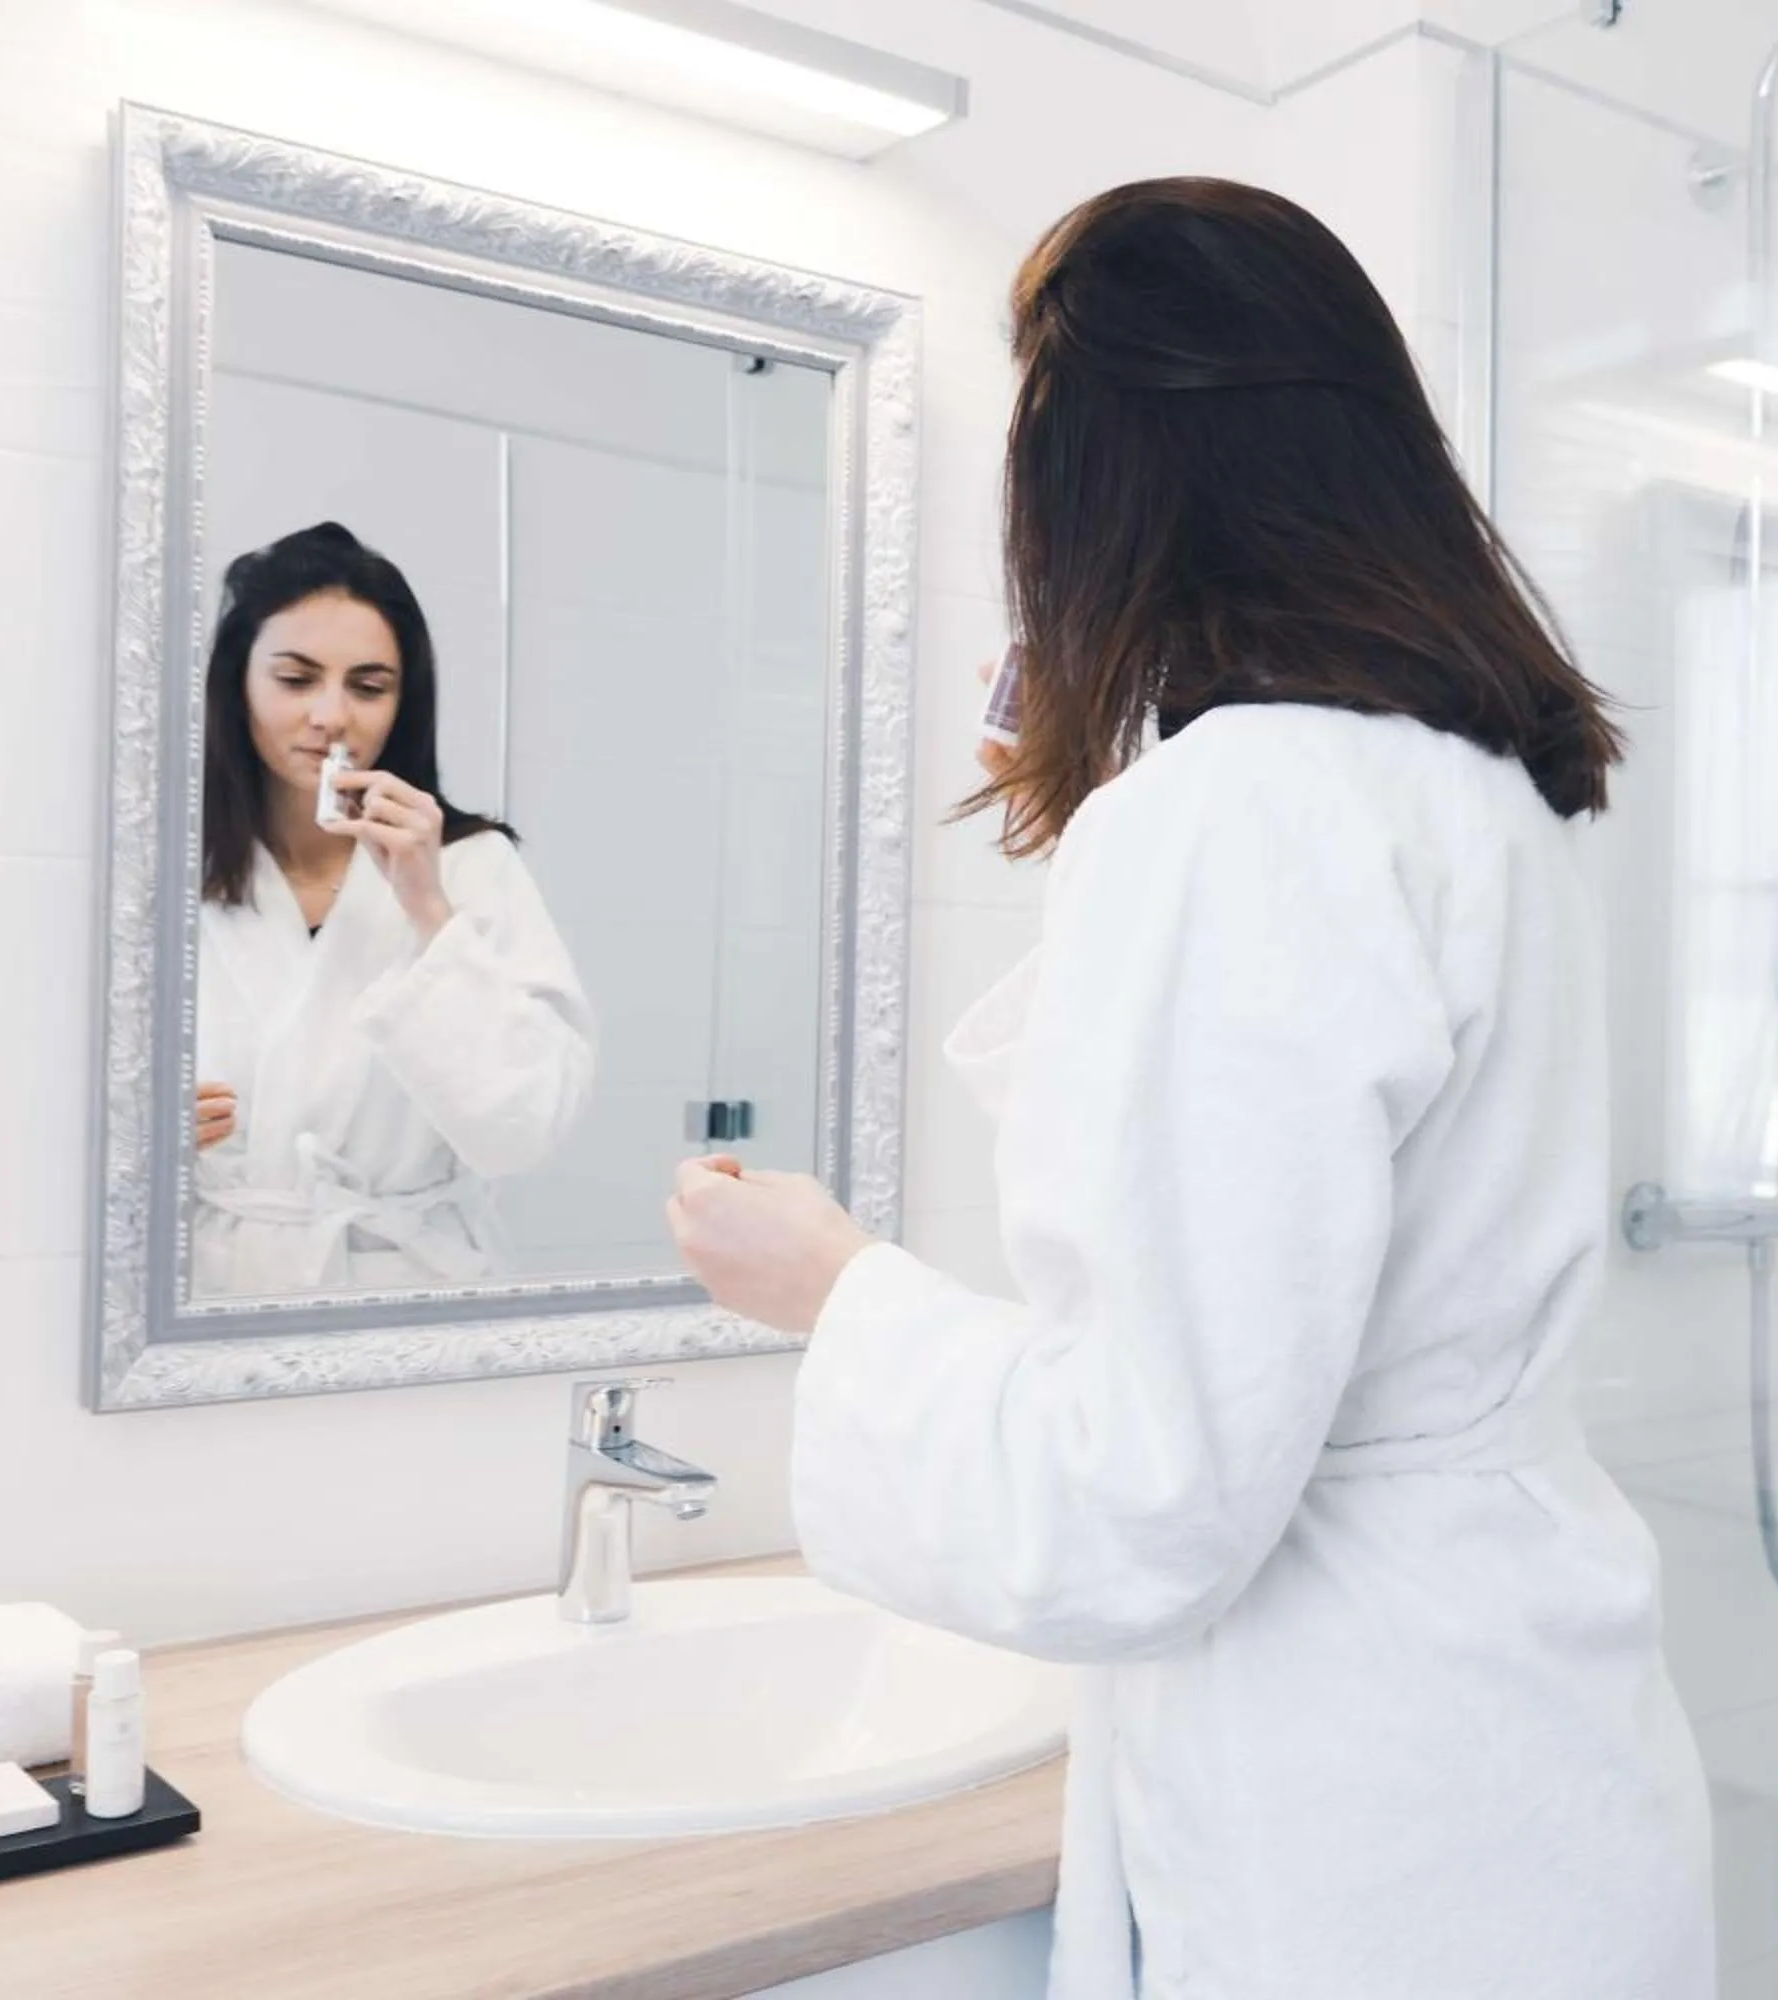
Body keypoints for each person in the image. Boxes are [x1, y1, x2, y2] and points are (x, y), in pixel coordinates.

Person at [666, 181, 1713, 1999]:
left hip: (1359, 1816)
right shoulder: (1479, 799)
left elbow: (1143, 1494)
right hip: (1533, 1756)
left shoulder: (1239, 815)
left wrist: (840, 1298)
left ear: (1106, 475)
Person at [193, 522, 594, 1296]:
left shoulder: (470, 865)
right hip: (217, 1286)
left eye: (368, 686)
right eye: (296, 678)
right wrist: (144, 1134)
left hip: (408, 1286)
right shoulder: (169, 868)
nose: (331, 716)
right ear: (238, 682)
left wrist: (427, 905)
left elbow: (524, 1127)